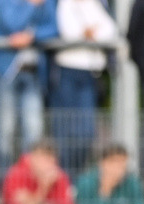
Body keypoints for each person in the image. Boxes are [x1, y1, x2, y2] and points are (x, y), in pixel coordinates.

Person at [0, 0, 58, 173]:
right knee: (5, 130)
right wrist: (31, 5)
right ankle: (5, 182)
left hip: (33, 74)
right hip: (4, 72)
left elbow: (54, 28)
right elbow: (11, 23)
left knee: (34, 130)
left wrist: (33, 36)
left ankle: (29, 180)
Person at [50, 0, 118, 175]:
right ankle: (65, 181)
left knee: (86, 134)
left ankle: (75, 178)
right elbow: (68, 33)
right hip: (67, 73)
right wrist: (88, 33)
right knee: (65, 133)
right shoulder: (63, 3)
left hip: (90, 75)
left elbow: (110, 31)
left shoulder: (97, 3)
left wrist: (87, 34)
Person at [0, 139, 75, 204]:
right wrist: (44, 188)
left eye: (51, 159)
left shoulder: (60, 177)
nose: (48, 164)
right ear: (31, 158)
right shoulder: (16, 174)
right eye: (43, 158)